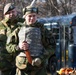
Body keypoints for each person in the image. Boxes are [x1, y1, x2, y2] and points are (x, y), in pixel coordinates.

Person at [15, 5, 55, 75]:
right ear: (25, 16)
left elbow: (52, 47)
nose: (32, 18)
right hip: (22, 68)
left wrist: (41, 58)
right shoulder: (18, 30)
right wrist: (18, 46)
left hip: (39, 68)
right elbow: (9, 46)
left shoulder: (43, 30)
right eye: (29, 16)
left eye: (34, 16)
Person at [0, 3, 24, 75]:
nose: (11, 14)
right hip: (4, 63)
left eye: (13, 12)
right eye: (8, 13)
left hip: (21, 60)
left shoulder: (23, 23)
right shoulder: (1, 25)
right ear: (4, 14)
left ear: (16, 12)